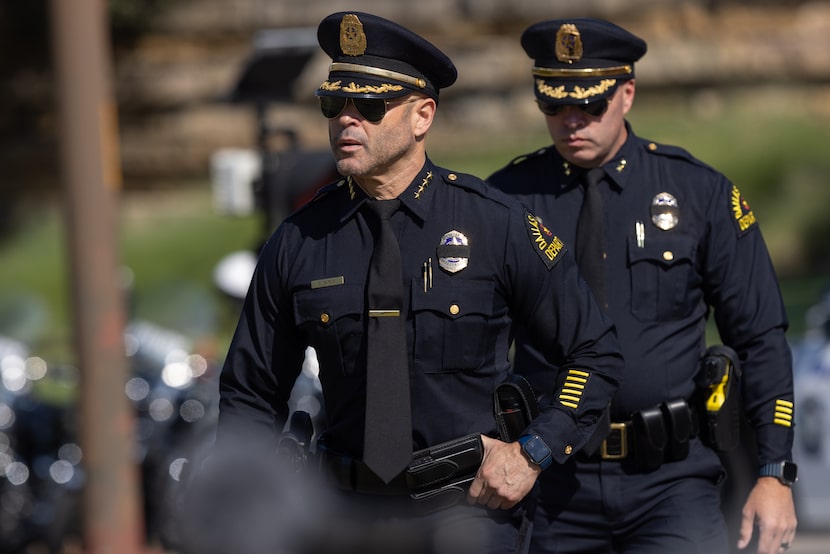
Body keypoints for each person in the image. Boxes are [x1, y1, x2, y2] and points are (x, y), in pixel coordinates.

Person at [213, 11, 624, 554]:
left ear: (422, 116)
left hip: (469, 517)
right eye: (334, 105)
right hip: (344, 519)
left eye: (370, 106)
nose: (346, 121)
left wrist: (533, 453)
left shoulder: (494, 223)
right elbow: (250, 393)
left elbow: (594, 353)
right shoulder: (300, 240)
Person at [487, 17, 798, 554]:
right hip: (550, 482)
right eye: (555, 104)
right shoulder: (506, 202)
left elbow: (760, 337)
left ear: (626, 93)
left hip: (672, 483)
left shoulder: (697, 192)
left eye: (589, 103)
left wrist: (774, 472)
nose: (571, 119)